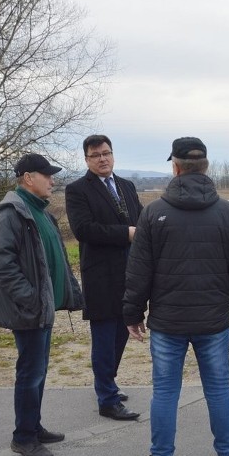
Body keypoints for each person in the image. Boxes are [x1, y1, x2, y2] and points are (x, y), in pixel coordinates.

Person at [123, 137, 229, 456]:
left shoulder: (154, 212)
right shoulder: (226, 211)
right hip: (212, 318)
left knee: (165, 392)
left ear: (175, 167)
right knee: (218, 389)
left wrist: (132, 313)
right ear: (206, 167)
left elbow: (139, 271)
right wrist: (224, 295)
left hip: (168, 320)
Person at [0, 153, 83, 456]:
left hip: (43, 308)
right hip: (30, 309)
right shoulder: (11, 213)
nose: (53, 180)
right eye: (47, 175)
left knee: (38, 370)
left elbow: (55, 258)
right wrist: (29, 297)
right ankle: (23, 437)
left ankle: (34, 426)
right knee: (29, 372)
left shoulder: (41, 213)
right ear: (29, 178)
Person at [65, 134, 143, 421]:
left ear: (113, 154)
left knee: (122, 334)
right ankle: (107, 400)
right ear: (86, 159)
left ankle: (108, 384)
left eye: (106, 153)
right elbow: (84, 230)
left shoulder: (127, 186)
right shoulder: (77, 190)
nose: (102, 158)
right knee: (104, 338)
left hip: (129, 275)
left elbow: (141, 219)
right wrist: (127, 233)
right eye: (95, 155)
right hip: (100, 276)